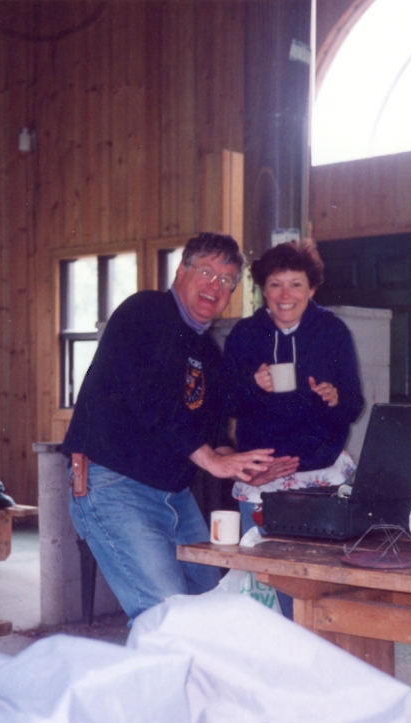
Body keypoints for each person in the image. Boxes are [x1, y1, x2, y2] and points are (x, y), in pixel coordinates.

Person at [61, 232, 293, 620]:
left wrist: (241, 467)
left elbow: (213, 433)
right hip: (114, 486)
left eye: (226, 280)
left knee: (211, 608)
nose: (215, 285)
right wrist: (212, 460)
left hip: (174, 496)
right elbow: (149, 398)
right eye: (207, 272)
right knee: (167, 617)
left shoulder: (207, 352)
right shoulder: (145, 311)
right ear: (181, 272)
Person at [222, 240, 365, 617]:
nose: (285, 295)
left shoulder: (332, 331)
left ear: (312, 288)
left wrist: (335, 398)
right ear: (263, 290)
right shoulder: (244, 335)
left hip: (321, 477)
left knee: (320, 587)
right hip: (262, 477)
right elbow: (225, 404)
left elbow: (354, 405)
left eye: (296, 284)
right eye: (275, 284)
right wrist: (253, 386)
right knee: (265, 585)